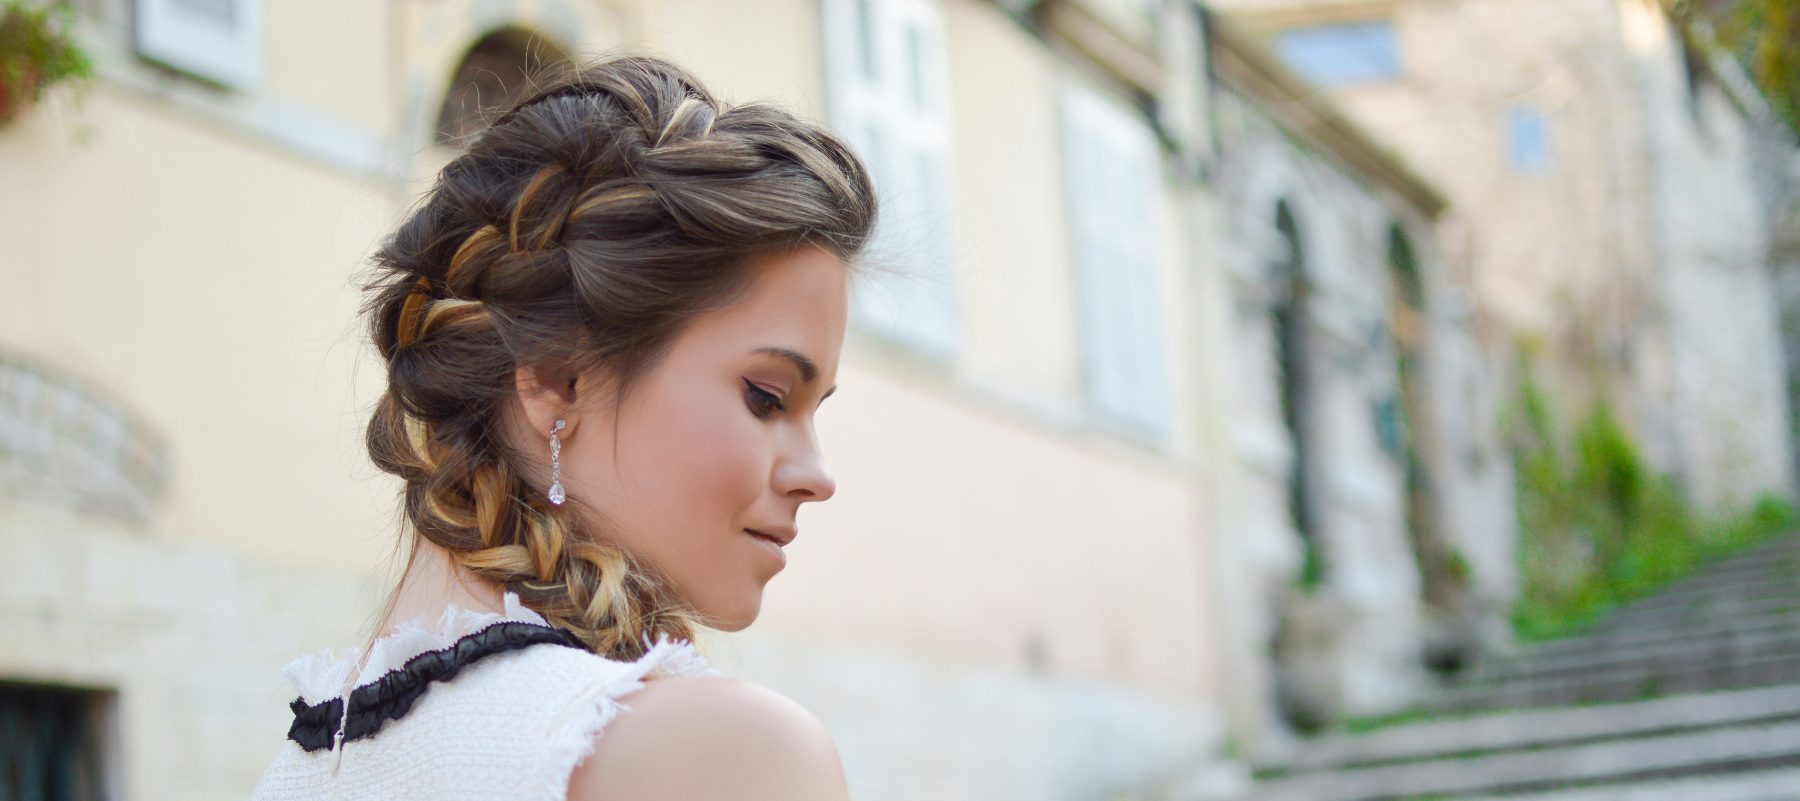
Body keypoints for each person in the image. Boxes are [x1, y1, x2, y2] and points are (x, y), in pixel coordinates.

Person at [249, 53, 877, 801]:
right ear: (555, 378)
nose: (818, 473)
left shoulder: (305, 768)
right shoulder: (732, 756)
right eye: (767, 397)